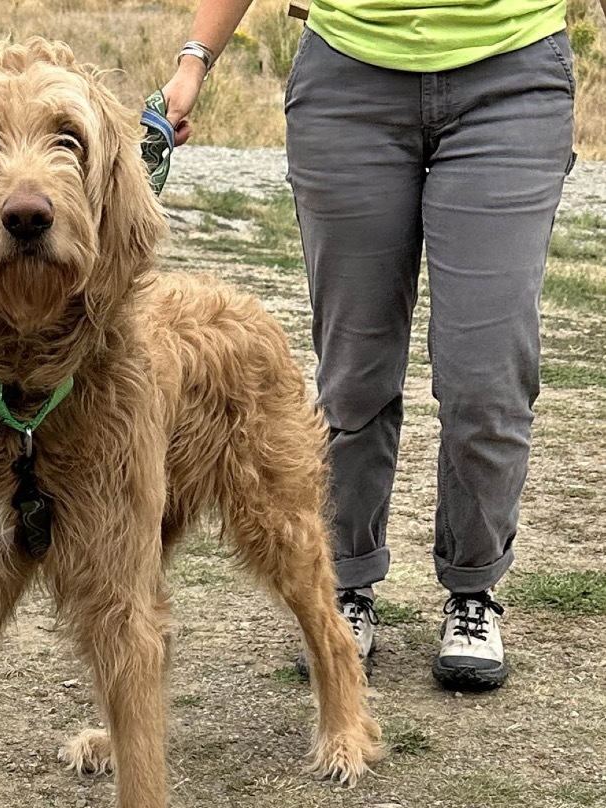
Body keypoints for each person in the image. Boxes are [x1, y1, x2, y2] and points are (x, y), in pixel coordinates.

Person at [161, 0, 576, 691]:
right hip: (347, 83)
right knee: (353, 374)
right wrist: (193, 63)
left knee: (487, 375)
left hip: (514, 77)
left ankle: (473, 590)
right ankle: (341, 585)